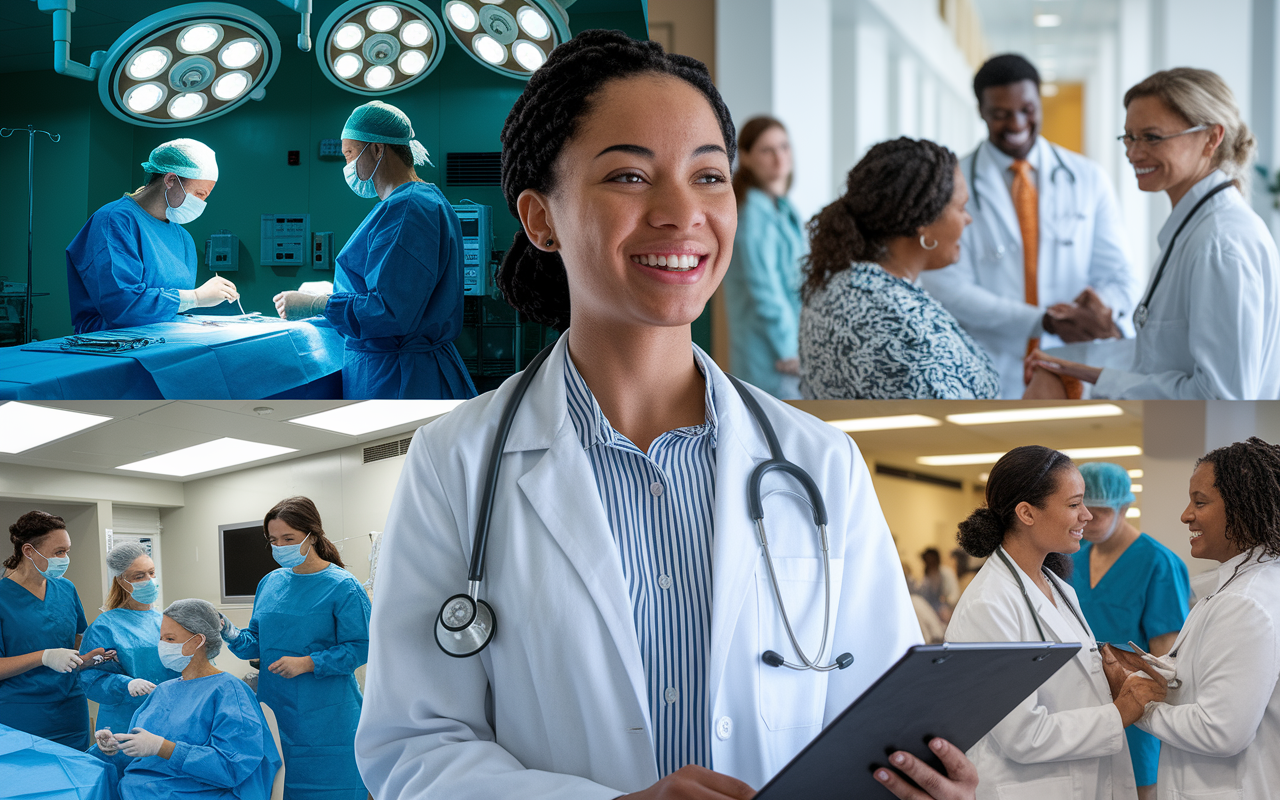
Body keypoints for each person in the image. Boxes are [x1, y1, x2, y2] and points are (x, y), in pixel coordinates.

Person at [355, 30, 978, 800]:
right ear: (541, 219)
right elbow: (413, 748)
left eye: (709, 176)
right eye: (628, 175)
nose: (683, 213)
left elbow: (877, 722)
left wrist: (919, 782)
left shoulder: (819, 461)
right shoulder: (456, 461)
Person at [1030, 68, 1280, 399]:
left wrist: (1092, 375)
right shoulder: (1194, 229)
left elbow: (1219, 397)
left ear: (1211, 138)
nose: (1133, 153)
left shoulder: (1220, 243)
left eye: (1152, 137)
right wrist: (1073, 364)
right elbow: (1167, 360)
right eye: (1129, 137)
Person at [946, 446, 1167, 799]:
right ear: (1026, 513)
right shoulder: (989, 604)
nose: (1087, 516)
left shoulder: (1058, 587)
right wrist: (1119, 713)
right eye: (1074, 504)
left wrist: (1107, 674)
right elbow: (1022, 735)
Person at [920, 54, 1137, 400]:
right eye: (1000, 113)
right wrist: (1043, 320)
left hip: (1073, 361)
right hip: (990, 364)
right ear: (981, 111)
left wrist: (1096, 310)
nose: (1017, 122)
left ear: (1039, 101)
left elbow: (1119, 274)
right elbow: (947, 288)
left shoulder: (1088, 177)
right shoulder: (951, 183)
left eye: (1027, 109)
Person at [1103, 438, 1280, 798]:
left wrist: (1139, 704)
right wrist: (1153, 668)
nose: (1186, 514)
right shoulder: (1239, 588)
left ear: (1243, 507)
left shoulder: (1245, 603)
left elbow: (1220, 730)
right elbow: (1214, 677)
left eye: (1200, 502)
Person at [273, 101, 477, 400]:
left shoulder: (408, 209)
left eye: (350, 154)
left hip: (399, 378)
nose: (347, 165)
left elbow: (390, 311)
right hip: (407, 369)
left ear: (378, 149)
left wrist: (318, 304)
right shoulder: (422, 201)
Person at [799, 137, 999, 399]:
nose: (968, 219)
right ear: (924, 223)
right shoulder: (910, 331)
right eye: (961, 207)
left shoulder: (831, 285)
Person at [221, 497, 370, 800]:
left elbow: (363, 647)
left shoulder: (343, 586)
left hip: (327, 720)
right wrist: (229, 631)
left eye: (288, 538)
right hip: (276, 711)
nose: (279, 546)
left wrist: (309, 663)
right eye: (273, 540)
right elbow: (255, 643)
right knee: (279, 788)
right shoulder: (270, 583)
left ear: (312, 535)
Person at [1067, 463, 1190, 800]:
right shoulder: (1071, 558)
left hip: (1137, 711)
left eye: (1101, 510)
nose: (1088, 518)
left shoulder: (1158, 562)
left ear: (1124, 507)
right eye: (1080, 508)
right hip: (1080, 709)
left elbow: (1166, 663)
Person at [91, 598, 281, 799]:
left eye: (170, 639)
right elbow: (138, 753)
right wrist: (114, 747)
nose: (162, 645)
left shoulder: (229, 691)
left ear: (198, 641)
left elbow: (232, 767)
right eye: (161, 638)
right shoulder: (163, 691)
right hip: (140, 790)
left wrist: (164, 748)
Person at [66, 139, 239, 334]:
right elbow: (121, 306)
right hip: (110, 349)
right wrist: (196, 297)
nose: (201, 203)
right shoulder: (113, 221)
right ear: (170, 180)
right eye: (199, 193)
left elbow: (172, 310)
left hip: (164, 342)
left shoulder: (183, 238)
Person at [722, 116, 804, 398]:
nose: (779, 157)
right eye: (767, 150)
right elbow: (765, 291)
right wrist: (790, 349)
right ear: (744, 157)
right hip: (773, 356)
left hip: (792, 346)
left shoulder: (782, 207)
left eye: (784, 147)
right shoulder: (751, 214)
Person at [0, 511, 97, 749]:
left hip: (71, 709)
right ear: (29, 551)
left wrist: (86, 659)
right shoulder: (3, 597)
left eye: (67, 551)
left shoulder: (66, 588)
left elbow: (75, 642)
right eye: (58, 552)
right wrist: (44, 657)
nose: (65, 558)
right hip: (22, 713)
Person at [80, 542, 181, 739]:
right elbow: (90, 677)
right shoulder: (105, 626)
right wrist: (126, 685)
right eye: (139, 576)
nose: (149, 580)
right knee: (125, 766)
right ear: (122, 581)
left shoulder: (167, 621)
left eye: (151, 573)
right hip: (124, 720)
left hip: (168, 716)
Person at [917, 548, 959, 619]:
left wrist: (946, 601)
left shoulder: (946, 573)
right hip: (931, 611)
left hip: (945, 611)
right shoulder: (927, 577)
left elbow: (955, 594)